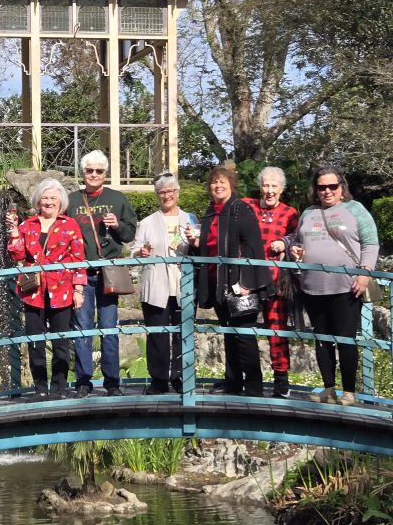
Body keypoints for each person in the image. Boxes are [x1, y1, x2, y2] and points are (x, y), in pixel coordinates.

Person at [285, 165, 379, 406]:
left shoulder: (355, 210)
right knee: (322, 339)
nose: (327, 191)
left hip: (346, 287)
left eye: (332, 186)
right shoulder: (308, 212)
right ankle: (329, 389)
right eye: (321, 187)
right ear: (315, 190)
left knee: (346, 340)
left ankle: (349, 392)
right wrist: (293, 249)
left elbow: (370, 243)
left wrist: (364, 273)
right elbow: (297, 241)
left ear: (341, 187)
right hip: (312, 287)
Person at [188, 165, 271, 397]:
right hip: (218, 282)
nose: (218, 186)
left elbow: (253, 247)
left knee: (244, 334)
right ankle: (233, 382)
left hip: (238, 282)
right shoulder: (211, 212)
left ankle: (254, 386)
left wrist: (247, 282)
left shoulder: (240, 209)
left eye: (222, 182)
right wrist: (196, 244)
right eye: (214, 182)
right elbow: (211, 245)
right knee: (229, 332)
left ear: (231, 184)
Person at [6, 178, 87, 398]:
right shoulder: (27, 225)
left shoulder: (69, 225)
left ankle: (59, 387)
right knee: (35, 341)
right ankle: (40, 388)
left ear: (60, 201)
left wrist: (79, 290)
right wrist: (14, 232)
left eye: (53, 198)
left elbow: (79, 259)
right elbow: (18, 255)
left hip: (62, 288)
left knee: (61, 340)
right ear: (38, 201)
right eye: (45, 198)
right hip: (33, 290)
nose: (49, 202)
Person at [66, 150, 137, 396]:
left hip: (109, 272)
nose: (94, 175)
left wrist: (117, 225)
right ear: (82, 172)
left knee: (109, 328)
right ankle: (83, 380)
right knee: (82, 329)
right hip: (82, 274)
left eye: (99, 171)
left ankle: (112, 382)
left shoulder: (118, 199)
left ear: (105, 173)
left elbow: (129, 234)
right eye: (89, 170)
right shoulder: (72, 200)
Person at [130, 173, 198, 394]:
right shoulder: (147, 222)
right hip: (156, 285)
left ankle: (180, 378)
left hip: (183, 284)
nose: (167, 196)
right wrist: (141, 251)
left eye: (171, 191)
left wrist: (194, 240)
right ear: (157, 196)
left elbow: (200, 248)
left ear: (177, 193)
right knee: (157, 335)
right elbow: (134, 252)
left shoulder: (190, 219)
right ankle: (158, 380)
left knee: (183, 333)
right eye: (162, 192)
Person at [242, 167, 299, 398]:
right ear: (260, 187)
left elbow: (298, 236)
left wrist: (284, 242)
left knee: (277, 331)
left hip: (275, 282)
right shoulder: (248, 206)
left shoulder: (289, 213)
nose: (269, 190)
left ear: (281, 189)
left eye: (274, 186)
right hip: (247, 280)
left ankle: (281, 381)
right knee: (244, 332)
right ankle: (250, 381)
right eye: (266, 185)